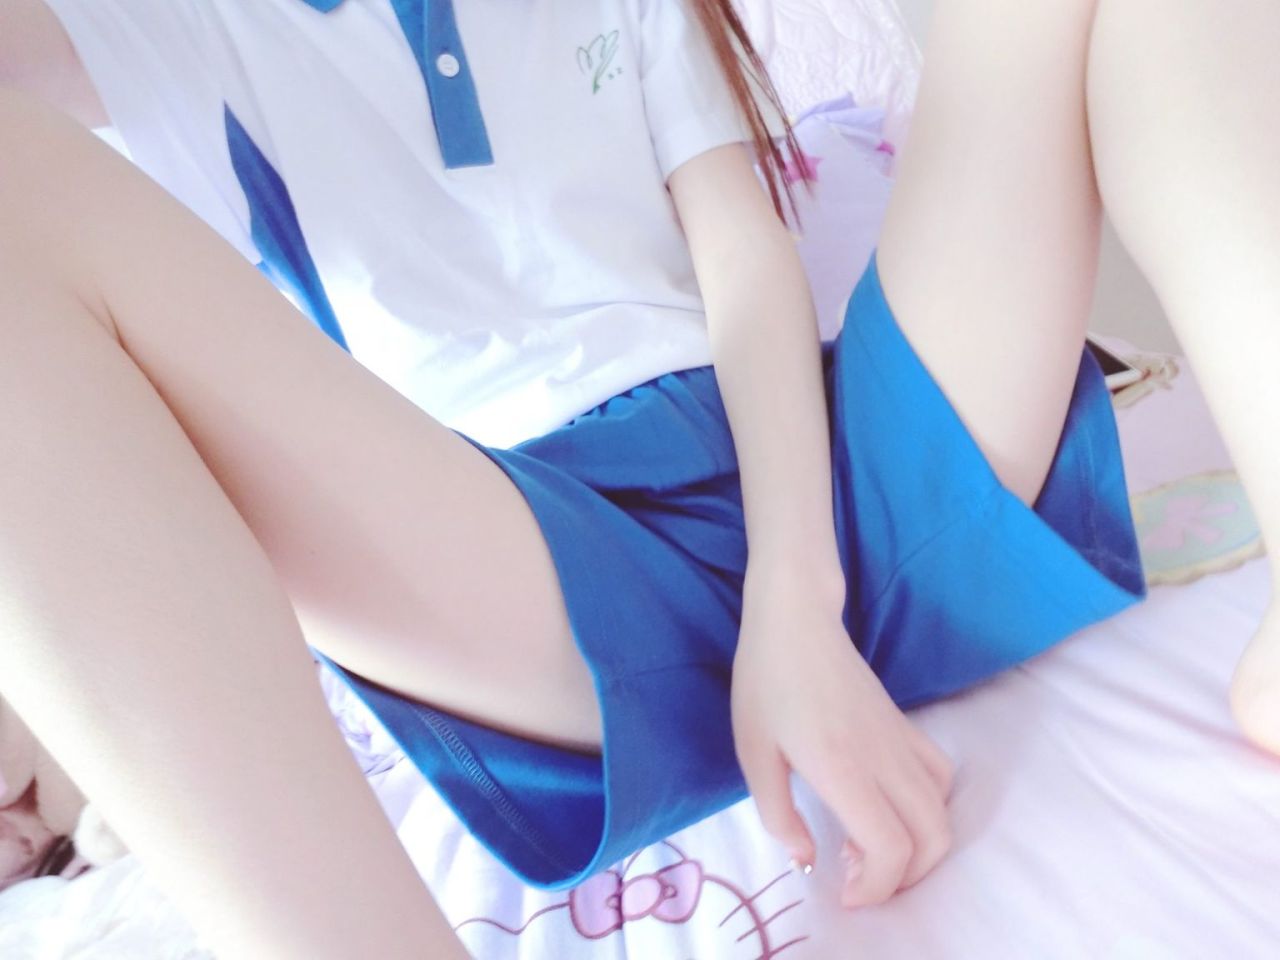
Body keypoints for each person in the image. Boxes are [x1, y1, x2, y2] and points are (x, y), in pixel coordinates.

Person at [0, 0, 1271, 956]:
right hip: (529, 555)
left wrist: (794, 603)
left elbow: (745, 264)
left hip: (817, 459)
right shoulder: (167, 27)